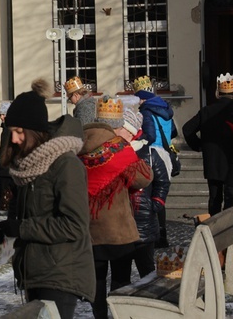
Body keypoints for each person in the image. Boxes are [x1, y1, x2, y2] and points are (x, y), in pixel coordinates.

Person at [0, 78, 94, 319]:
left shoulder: (65, 165)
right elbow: (30, 217)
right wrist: (7, 231)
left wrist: (22, 228)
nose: (14, 139)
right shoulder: (28, 167)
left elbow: (74, 225)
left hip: (60, 272)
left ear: (34, 131)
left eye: (18, 132)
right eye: (11, 132)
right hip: (35, 269)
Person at [81, 96, 152, 319]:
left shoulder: (77, 146)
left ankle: (99, 316)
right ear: (116, 124)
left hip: (89, 229)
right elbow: (143, 179)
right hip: (118, 231)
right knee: (121, 278)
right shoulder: (119, 148)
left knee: (97, 281)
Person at [110, 107, 170, 288]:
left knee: (148, 274)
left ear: (129, 131)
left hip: (144, 225)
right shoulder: (112, 152)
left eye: (118, 128)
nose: (113, 131)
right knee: (120, 276)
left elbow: (162, 181)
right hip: (119, 228)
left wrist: (156, 204)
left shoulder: (148, 153)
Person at [183, 73, 233, 215]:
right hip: (232, 161)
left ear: (218, 93)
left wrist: (199, 145)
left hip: (212, 162)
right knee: (231, 197)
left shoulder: (207, 111)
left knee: (214, 198)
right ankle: (226, 229)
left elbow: (187, 129)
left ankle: (213, 228)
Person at [133, 75, 177, 247]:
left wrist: (139, 140)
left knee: (151, 192)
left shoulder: (146, 111)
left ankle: (157, 235)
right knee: (161, 193)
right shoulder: (165, 108)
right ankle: (163, 233)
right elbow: (173, 132)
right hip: (165, 154)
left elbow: (150, 135)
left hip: (152, 154)